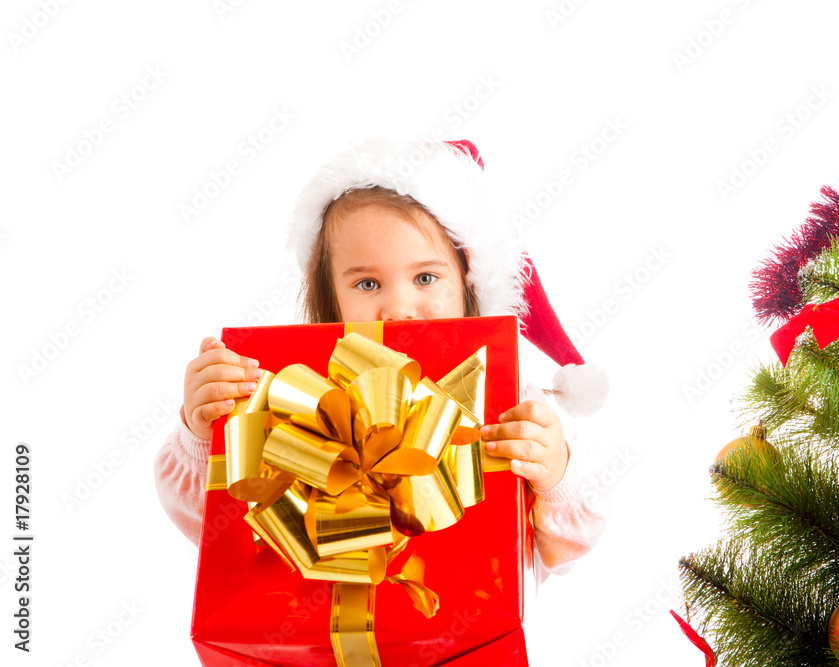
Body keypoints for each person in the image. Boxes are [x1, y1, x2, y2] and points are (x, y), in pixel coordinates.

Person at [153, 137, 610, 577]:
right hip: (321, 648)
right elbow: (211, 526)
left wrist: (554, 479)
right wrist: (202, 431)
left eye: (426, 278)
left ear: (469, 280)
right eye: (368, 284)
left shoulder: (510, 404)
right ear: (330, 298)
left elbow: (567, 550)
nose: (398, 310)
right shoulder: (297, 396)